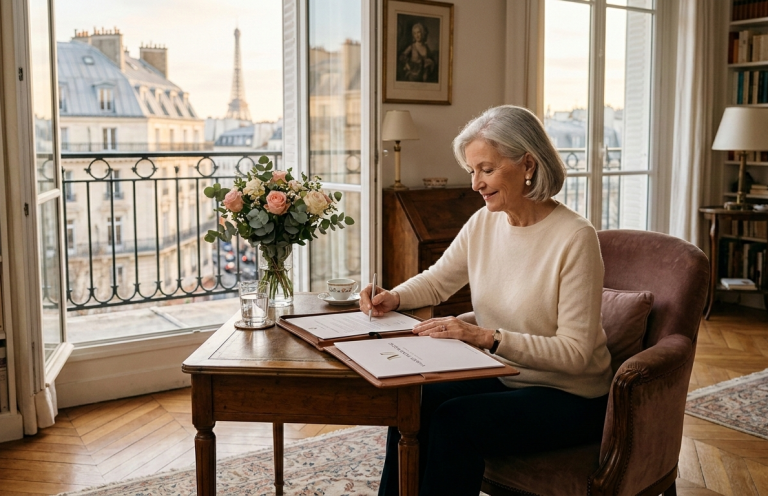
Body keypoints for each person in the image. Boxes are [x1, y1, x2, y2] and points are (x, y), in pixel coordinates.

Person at [360, 105, 613, 496]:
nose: (476, 183)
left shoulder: (575, 237)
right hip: (503, 375)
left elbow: (576, 353)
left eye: (487, 169)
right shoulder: (484, 221)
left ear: (528, 164)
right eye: (472, 171)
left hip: (569, 396)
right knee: (412, 402)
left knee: (455, 422)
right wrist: (393, 297)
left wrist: (485, 337)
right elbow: (439, 281)